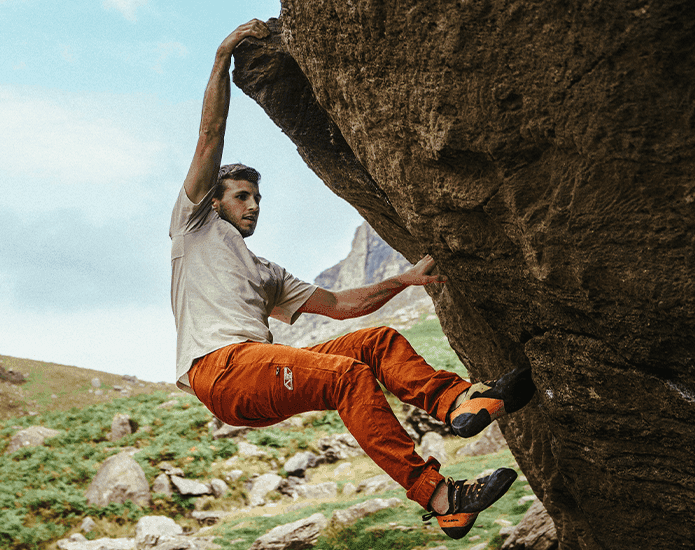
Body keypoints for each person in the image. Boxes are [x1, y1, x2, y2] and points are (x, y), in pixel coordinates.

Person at [169, 20, 536, 539]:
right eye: (241, 196)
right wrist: (221, 56)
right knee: (348, 377)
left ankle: (458, 402)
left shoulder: (265, 272)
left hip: (256, 370)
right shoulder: (194, 228)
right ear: (214, 201)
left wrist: (403, 280)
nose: (253, 205)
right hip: (221, 370)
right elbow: (210, 135)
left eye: (257, 198)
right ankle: (441, 498)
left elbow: (342, 305)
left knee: (375, 342)